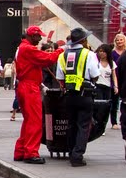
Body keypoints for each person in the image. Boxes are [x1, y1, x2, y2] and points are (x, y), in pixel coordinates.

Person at [13, 26, 60, 163]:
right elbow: (48, 59)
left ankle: (21, 151)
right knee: (34, 121)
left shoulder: (23, 47)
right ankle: (31, 153)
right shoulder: (28, 49)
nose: (40, 39)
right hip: (30, 87)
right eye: (38, 36)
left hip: (25, 86)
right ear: (32, 36)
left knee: (28, 120)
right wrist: (60, 50)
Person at [54, 28, 101, 166]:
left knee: (71, 125)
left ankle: (71, 152)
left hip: (69, 95)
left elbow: (59, 78)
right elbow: (95, 75)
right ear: (84, 40)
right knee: (83, 126)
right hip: (85, 94)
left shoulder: (62, 55)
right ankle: (77, 155)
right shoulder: (89, 54)